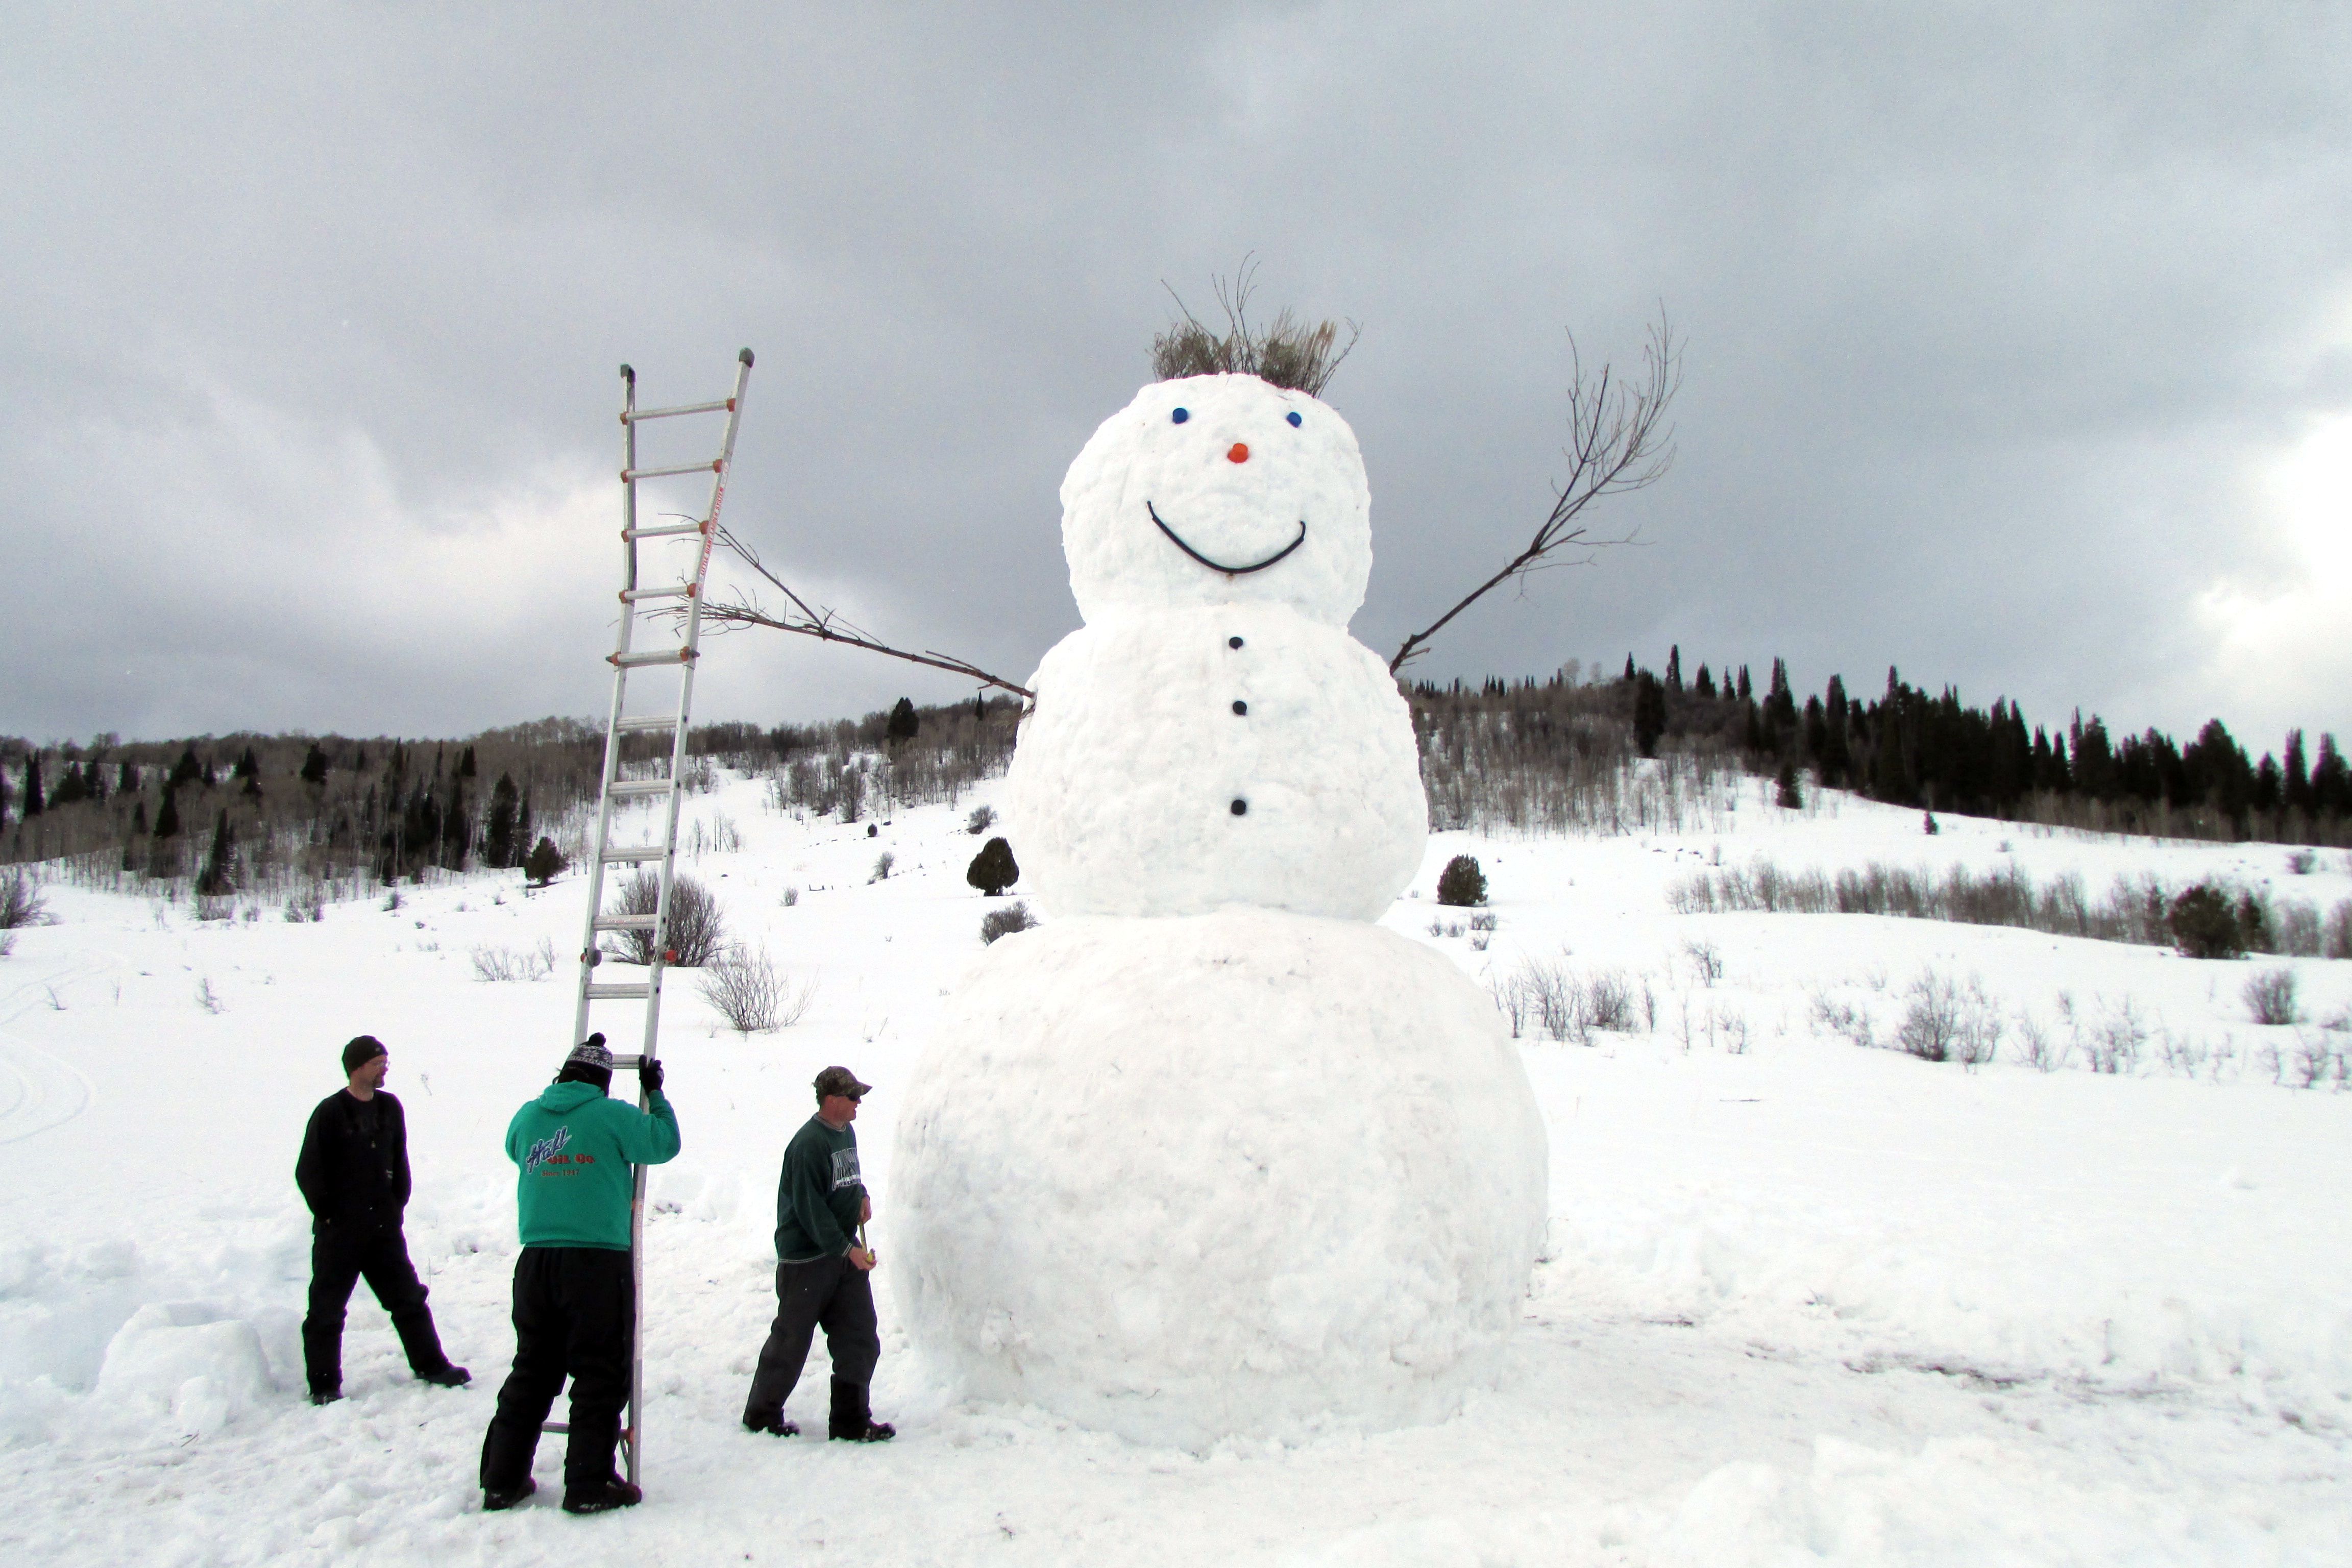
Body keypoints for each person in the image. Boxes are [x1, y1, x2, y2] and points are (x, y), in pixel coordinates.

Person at [478, 1034, 681, 1514]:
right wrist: (655, 1093)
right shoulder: (610, 1115)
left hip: (537, 1261)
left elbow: (514, 1149)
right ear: (603, 1082)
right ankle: (588, 1484)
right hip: (596, 1262)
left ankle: (502, 1479)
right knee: (600, 1371)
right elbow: (663, 1143)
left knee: (533, 1369)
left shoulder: (528, 1116)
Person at [294, 1035, 469, 1405]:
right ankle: (324, 1385)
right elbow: (309, 1170)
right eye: (377, 1064)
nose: (384, 1069)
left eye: (386, 1063)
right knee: (326, 1310)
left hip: (383, 1230)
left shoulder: (390, 1108)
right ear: (356, 1068)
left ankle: (432, 1365)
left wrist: (396, 1205)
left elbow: (399, 1160)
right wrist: (328, 1214)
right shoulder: (330, 1112)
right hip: (340, 1233)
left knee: (408, 1300)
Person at [741, 1064, 895, 1443]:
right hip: (807, 1260)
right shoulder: (808, 1145)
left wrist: (861, 1196)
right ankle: (762, 1414)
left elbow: (849, 1178)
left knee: (860, 1337)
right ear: (831, 1100)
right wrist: (848, 1250)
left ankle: (851, 1419)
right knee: (792, 1340)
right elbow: (810, 1210)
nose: (860, 1103)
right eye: (853, 1097)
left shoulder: (846, 1133)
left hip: (843, 1253)